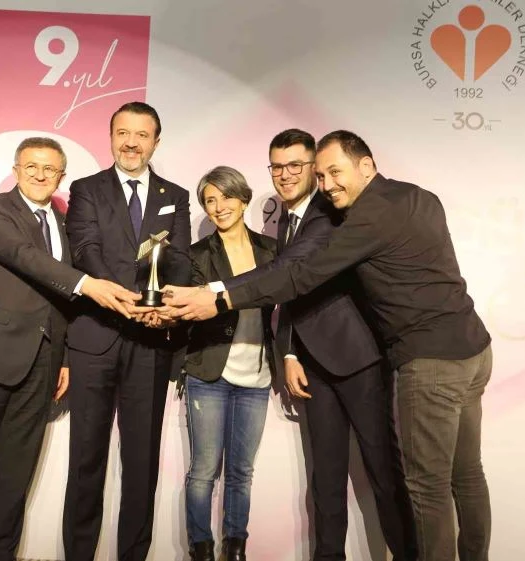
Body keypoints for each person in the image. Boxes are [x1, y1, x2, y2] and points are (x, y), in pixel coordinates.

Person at [163, 130, 493, 561]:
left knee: (424, 487)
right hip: (472, 347)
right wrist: (289, 350)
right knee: (466, 476)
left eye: (333, 172)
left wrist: (219, 297)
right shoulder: (417, 196)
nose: (327, 184)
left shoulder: (359, 219)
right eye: (321, 175)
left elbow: (298, 274)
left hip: (426, 360)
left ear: (366, 166)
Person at [207, 129, 416, 561]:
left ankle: (409, 554)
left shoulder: (330, 213)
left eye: (296, 166)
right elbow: (291, 293)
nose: (285, 175)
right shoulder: (287, 219)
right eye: (277, 167)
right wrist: (289, 352)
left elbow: (288, 272)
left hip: (361, 359)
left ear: (314, 170)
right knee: (325, 478)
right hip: (314, 367)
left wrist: (215, 294)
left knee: (383, 472)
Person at [0, 137, 139, 561]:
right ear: (16, 169)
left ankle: (2, 555)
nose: (41, 175)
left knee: (17, 473)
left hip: (42, 363)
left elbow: (61, 301)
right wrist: (88, 284)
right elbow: (24, 256)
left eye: (50, 169)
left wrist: (63, 357)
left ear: (61, 176)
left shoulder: (63, 224)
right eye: (32, 167)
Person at [62, 101, 192, 561]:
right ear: (111, 136)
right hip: (95, 336)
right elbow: (85, 249)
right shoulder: (86, 189)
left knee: (142, 461)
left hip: (151, 340)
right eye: (123, 133)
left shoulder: (176, 195)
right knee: (86, 458)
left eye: (141, 134)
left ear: (156, 141)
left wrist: (165, 307)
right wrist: (124, 300)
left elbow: (180, 260)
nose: (131, 143)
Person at [183, 166, 277, 561]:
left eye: (226, 197)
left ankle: (235, 547)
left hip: (256, 375)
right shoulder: (198, 255)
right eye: (210, 200)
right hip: (209, 373)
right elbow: (191, 309)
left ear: (243, 199)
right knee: (203, 470)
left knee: (242, 472)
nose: (219, 206)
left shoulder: (271, 251)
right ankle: (201, 548)